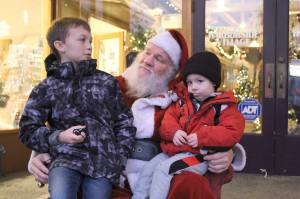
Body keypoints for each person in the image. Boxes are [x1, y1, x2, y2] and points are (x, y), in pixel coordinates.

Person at [27, 30, 246, 199]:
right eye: (147, 52)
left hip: (158, 185)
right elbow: (61, 114)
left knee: (192, 185)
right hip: (108, 180)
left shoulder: (181, 101)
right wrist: (38, 152)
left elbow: (211, 123)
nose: (147, 60)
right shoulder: (107, 85)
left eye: (159, 59)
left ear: (172, 72)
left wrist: (227, 152)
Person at [19, 17, 136, 199]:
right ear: (60, 45)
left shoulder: (106, 82)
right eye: (82, 40)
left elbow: (125, 122)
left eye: (90, 40)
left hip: (102, 163)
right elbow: (28, 129)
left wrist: (118, 157)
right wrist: (58, 137)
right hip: (64, 159)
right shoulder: (47, 87)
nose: (89, 45)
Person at [131, 51, 245, 199]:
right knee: (148, 169)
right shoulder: (182, 101)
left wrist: (202, 136)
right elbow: (168, 120)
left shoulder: (223, 106)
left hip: (198, 155)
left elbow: (232, 131)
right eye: (190, 82)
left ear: (214, 82)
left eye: (199, 81)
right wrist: (174, 132)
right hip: (174, 151)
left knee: (163, 170)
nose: (193, 87)